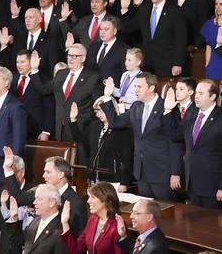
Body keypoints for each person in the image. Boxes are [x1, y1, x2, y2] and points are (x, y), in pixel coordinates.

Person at [102, 72, 179, 200]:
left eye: (139, 87)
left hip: (162, 173)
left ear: (151, 88)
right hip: (141, 172)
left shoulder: (166, 107)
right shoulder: (136, 106)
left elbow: (175, 141)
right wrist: (107, 97)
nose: (135, 90)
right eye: (135, 86)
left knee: (165, 213)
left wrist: (175, 172)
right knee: (144, 214)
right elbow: (115, 122)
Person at [163, 79, 222, 209]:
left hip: (213, 187)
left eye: (201, 93)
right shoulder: (192, 113)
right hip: (192, 184)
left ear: (212, 96)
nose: (196, 96)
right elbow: (175, 136)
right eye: (196, 93)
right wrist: (167, 111)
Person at [3, 148, 87, 238]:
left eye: (48, 172)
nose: (43, 176)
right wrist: (8, 169)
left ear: (61, 175)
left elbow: (78, 237)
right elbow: (19, 197)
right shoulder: (42, 191)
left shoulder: (75, 203)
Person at [121, 0, 187, 77]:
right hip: (147, 63)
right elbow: (129, 27)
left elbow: (180, 39)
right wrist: (124, 9)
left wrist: (178, 63)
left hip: (167, 63)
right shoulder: (144, 9)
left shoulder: (175, 11)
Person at [69, 99, 133, 190]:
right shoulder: (94, 126)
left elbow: (127, 157)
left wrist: (124, 182)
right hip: (95, 179)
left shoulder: (121, 130)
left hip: (113, 180)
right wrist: (73, 120)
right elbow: (82, 142)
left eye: (101, 110)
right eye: (97, 111)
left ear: (112, 109)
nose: (98, 114)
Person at [60, 182, 124, 253]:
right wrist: (65, 223)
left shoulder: (116, 226)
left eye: (92, 197)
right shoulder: (93, 219)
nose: (88, 201)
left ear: (105, 200)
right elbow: (76, 250)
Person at [6, 184, 67, 254]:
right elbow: (21, 240)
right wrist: (14, 218)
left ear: (51, 203)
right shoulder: (36, 221)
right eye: (35, 199)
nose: (34, 202)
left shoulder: (61, 229)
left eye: (39, 199)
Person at [200, 0, 222, 80]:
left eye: (221, 4)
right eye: (216, 4)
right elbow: (208, 46)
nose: (218, 7)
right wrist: (207, 64)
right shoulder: (209, 24)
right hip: (213, 63)